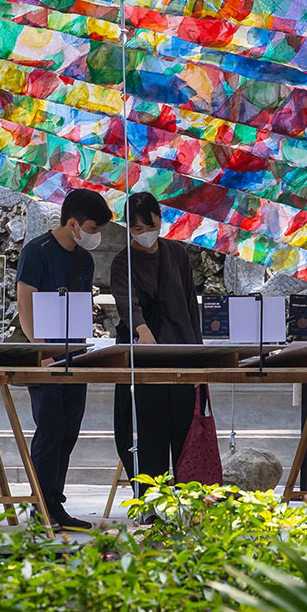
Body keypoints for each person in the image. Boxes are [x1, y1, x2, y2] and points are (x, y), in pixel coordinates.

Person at [16, 187, 113, 530]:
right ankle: (41, 505)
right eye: (92, 228)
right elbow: (25, 304)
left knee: (70, 430)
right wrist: (40, 351)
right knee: (50, 429)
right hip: (46, 357)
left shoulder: (85, 260)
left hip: (77, 355)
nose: (95, 235)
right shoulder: (37, 252)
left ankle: (56, 502)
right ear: (72, 223)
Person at [108, 192, 201, 484]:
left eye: (150, 227)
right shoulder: (123, 262)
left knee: (185, 434)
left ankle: (188, 500)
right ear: (127, 228)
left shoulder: (177, 254)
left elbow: (189, 306)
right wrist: (143, 333)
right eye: (137, 230)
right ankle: (151, 502)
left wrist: (198, 358)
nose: (145, 234)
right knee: (148, 431)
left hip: (181, 353)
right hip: (144, 359)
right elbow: (128, 306)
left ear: (160, 220)